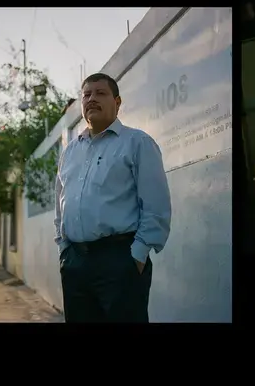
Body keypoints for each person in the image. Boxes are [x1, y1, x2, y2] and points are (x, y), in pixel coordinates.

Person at [54, 73, 171, 323]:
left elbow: (156, 207)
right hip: (75, 263)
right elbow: (60, 205)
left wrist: (137, 257)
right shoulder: (70, 152)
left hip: (120, 260)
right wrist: (64, 249)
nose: (92, 99)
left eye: (100, 93)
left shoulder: (137, 143)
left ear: (117, 103)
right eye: (87, 95)